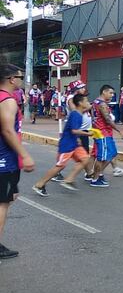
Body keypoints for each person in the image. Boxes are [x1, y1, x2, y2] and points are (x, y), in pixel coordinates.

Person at [0, 64, 34, 261]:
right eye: (20, 77)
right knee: (2, 204)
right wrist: (25, 155)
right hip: (5, 160)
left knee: (8, 198)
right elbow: (7, 130)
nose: (22, 80)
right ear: (12, 79)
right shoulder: (8, 101)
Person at [32, 94, 93, 196]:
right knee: (60, 166)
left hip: (74, 143)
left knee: (85, 159)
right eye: (86, 101)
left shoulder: (79, 114)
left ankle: (69, 180)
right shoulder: (76, 115)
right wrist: (88, 134)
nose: (88, 103)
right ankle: (39, 184)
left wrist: (78, 139)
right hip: (67, 144)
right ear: (80, 103)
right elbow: (74, 130)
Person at [90, 85, 123, 187]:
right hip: (103, 133)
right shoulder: (102, 104)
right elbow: (107, 119)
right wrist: (120, 131)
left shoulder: (96, 102)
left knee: (112, 153)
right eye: (110, 93)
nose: (112, 95)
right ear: (104, 92)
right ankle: (95, 179)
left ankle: (99, 174)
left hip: (102, 132)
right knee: (101, 157)